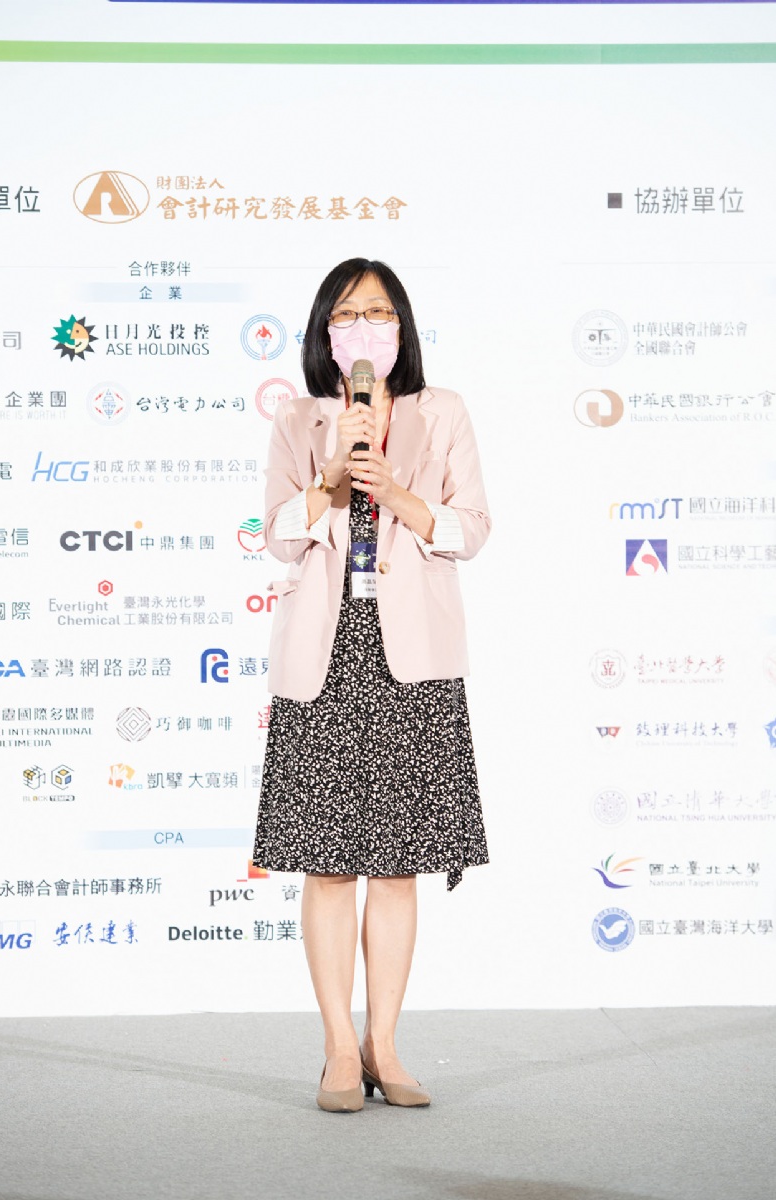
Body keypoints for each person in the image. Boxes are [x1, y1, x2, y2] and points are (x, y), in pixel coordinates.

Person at [252, 258, 491, 1113]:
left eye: (379, 314)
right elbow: (278, 538)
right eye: (349, 314)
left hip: (412, 657)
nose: (365, 329)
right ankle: (335, 1051)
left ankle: (383, 1045)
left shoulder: (442, 411)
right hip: (326, 652)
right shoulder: (299, 418)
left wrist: (400, 496)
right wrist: (329, 478)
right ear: (326, 332)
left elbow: (473, 529)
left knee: (395, 869)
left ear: (402, 327)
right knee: (326, 867)